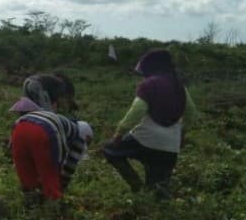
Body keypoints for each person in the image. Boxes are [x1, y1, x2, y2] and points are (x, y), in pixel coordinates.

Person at [103, 49, 197, 199]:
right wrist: (182, 135)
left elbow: (137, 110)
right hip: (170, 147)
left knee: (110, 150)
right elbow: (192, 114)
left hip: (145, 140)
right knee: (158, 190)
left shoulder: (149, 85)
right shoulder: (180, 87)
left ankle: (137, 186)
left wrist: (119, 134)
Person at [10, 110, 89, 205]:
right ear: (87, 136)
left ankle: (31, 199)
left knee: (25, 170)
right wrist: (61, 186)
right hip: (44, 131)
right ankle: (54, 204)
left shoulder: (62, 121)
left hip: (19, 129)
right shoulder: (80, 138)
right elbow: (68, 167)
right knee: (50, 171)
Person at [10, 71, 78, 113]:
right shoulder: (62, 85)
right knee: (46, 112)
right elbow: (54, 100)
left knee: (29, 106)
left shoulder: (54, 81)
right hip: (36, 84)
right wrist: (53, 112)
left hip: (27, 81)